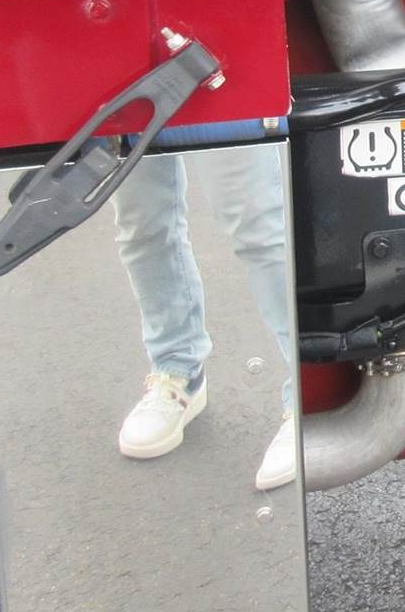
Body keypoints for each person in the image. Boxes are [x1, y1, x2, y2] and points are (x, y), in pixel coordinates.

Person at [110, 146, 298, 490]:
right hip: (119, 107)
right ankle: (177, 370)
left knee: (257, 224)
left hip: (223, 106)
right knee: (142, 225)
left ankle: (303, 398)